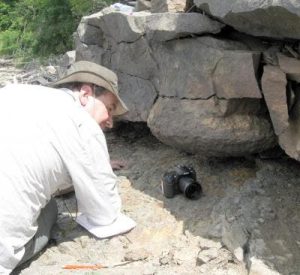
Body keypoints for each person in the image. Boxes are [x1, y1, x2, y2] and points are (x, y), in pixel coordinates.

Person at [0, 61, 136, 274]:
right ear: (85, 93)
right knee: (50, 208)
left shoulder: (14, 91)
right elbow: (105, 215)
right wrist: (92, 169)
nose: (110, 122)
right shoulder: (83, 123)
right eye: (109, 108)